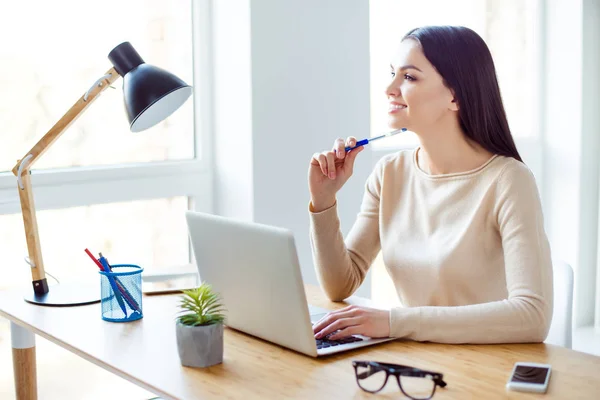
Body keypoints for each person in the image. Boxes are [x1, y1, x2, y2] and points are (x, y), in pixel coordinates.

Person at [308, 26, 553, 344]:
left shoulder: (509, 181)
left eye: (408, 77)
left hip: (487, 369)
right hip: (417, 365)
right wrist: (324, 200)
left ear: (455, 96)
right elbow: (340, 284)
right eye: (393, 73)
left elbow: (532, 316)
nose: (389, 88)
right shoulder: (389, 174)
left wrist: (395, 322)